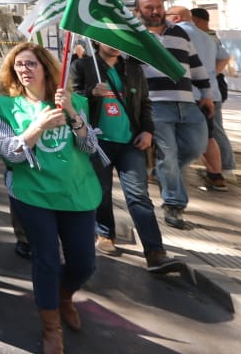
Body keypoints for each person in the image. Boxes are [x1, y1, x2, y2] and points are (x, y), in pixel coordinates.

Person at [0, 43, 100, 354]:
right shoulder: (3, 107)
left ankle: (64, 296)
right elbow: (9, 154)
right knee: (47, 260)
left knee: (83, 263)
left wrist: (74, 116)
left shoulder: (74, 101)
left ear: (46, 68)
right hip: (33, 193)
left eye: (31, 64)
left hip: (77, 192)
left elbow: (90, 148)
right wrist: (37, 128)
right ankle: (52, 328)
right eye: (19, 65)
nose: (25, 70)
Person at [68, 41, 179, 272]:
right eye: (110, 40)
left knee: (139, 195)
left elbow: (145, 103)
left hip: (131, 142)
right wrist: (90, 93)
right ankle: (105, 234)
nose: (116, 45)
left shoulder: (133, 69)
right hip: (98, 142)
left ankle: (155, 251)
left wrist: (148, 131)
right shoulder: (83, 66)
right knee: (101, 191)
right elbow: (71, 100)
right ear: (97, 41)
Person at [133, 0, 210, 229]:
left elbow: (194, 64)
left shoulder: (180, 32)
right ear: (138, 11)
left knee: (196, 147)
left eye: (158, 7)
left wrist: (206, 93)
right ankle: (174, 205)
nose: (155, 11)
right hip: (155, 104)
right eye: (149, 8)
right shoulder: (134, 36)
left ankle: (161, 172)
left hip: (187, 102)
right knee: (169, 153)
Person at [167, 5, 234, 191]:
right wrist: (212, 75)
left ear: (177, 17)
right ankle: (216, 176)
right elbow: (225, 57)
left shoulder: (172, 34)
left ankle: (167, 173)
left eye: (166, 14)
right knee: (209, 136)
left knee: (172, 134)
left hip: (183, 94)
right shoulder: (208, 37)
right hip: (209, 93)